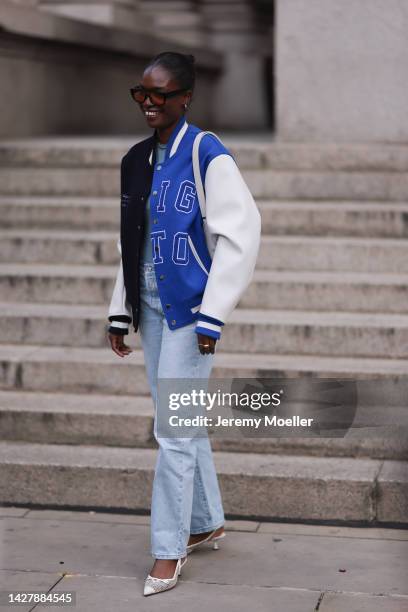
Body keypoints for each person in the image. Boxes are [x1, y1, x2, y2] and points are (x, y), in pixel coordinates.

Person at [107, 51, 261, 597]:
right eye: (141, 93)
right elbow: (132, 241)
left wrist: (213, 315)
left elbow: (241, 236)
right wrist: (119, 309)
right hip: (150, 308)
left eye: (160, 94)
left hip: (191, 314)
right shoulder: (134, 160)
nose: (148, 102)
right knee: (180, 421)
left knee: (171, 431)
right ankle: (206, 520)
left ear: (186, 98)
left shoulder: (206, 153)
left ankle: (167, 550)